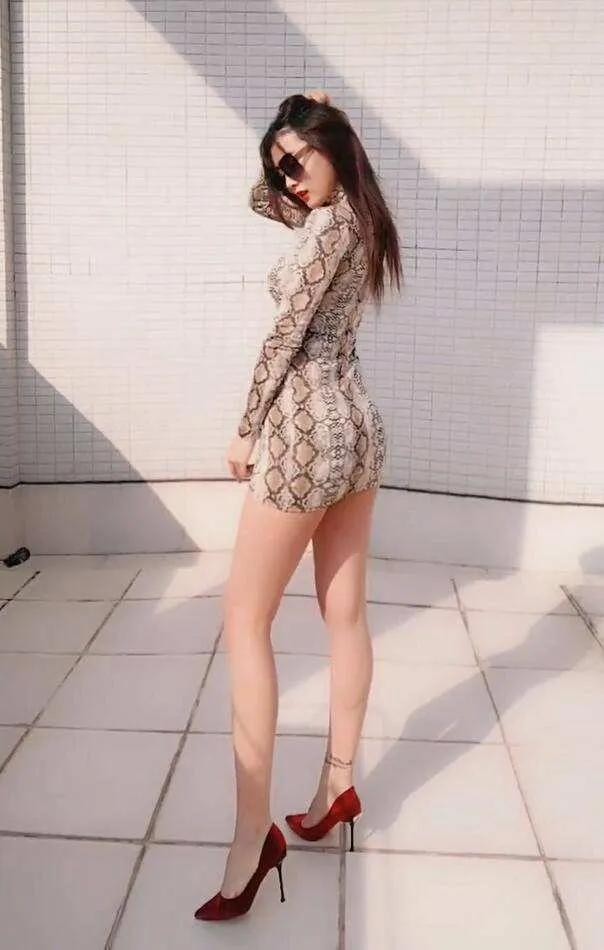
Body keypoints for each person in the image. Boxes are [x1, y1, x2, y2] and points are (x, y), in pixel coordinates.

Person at [194, 90, 402, 922]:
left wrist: (248, 428)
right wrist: (304, 133)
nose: (285, 177)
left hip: (307, 432)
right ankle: (335, 788)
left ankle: (253, 838)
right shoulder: (357, 213)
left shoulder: (325, 230)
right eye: (279, 164)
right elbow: (265, 199)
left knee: (245, 619)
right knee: (344, 613)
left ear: (333, 148)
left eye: (296, 160)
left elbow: (283, 336)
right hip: (359, 426)